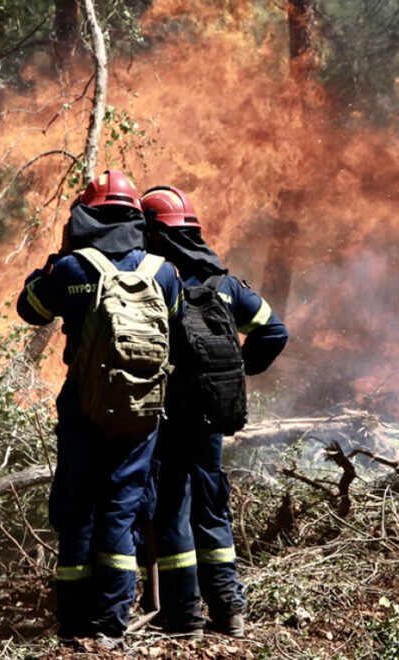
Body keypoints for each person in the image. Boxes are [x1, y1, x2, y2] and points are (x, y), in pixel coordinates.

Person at [16, 170, 184, 645]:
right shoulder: (163, 272)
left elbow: (30, 309)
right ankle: (111, 623)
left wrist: (51, 264)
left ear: (88, 217)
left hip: (83, 411)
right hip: (142, 415)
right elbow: (176, 323)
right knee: (122, 509)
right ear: (135, 219)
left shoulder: (72, 270)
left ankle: (73, 622)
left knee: (78, 508)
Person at [139, 185, 288, 637]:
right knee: (212, 510)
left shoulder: (160, 281)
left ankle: (184, 616)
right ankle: (230, 611)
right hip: (211, 420)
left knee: (173, 511)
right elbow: (274, 332)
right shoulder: (225, 284)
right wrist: (236, 373)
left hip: (170, 418)